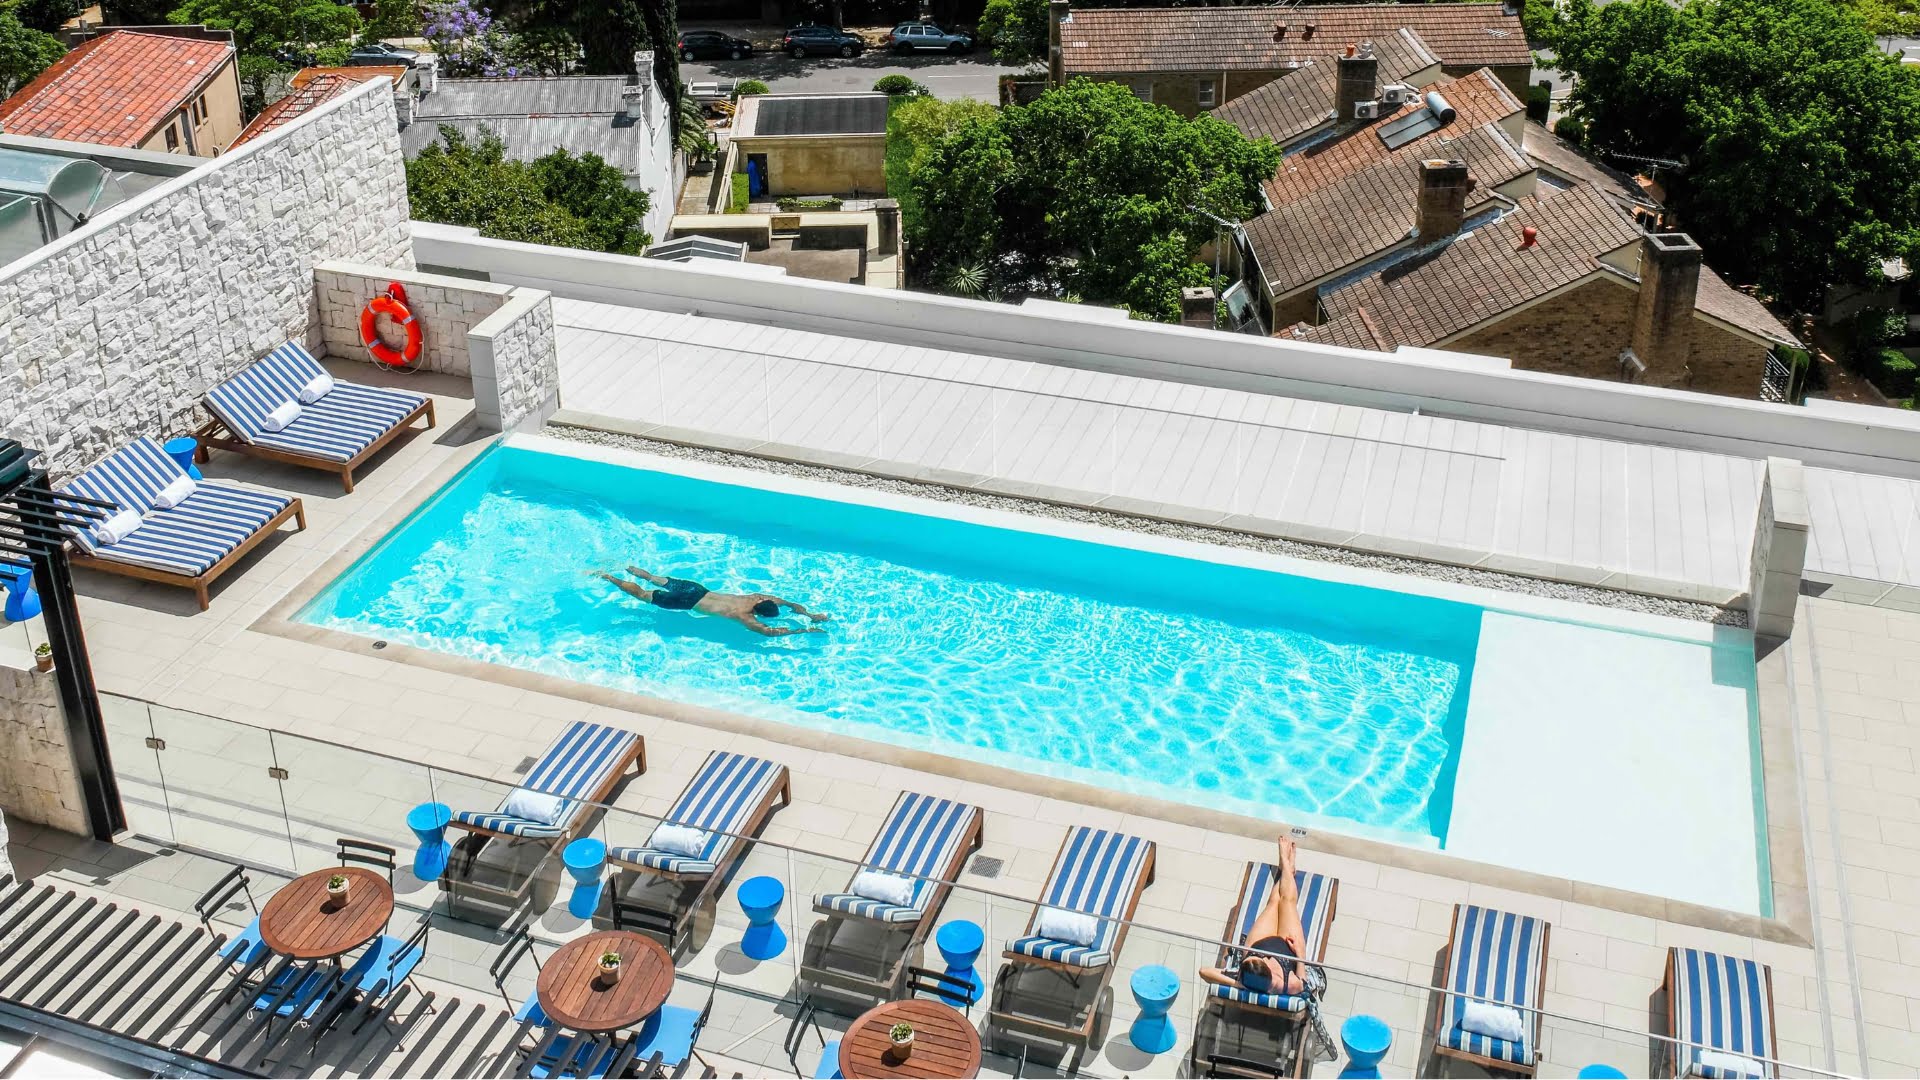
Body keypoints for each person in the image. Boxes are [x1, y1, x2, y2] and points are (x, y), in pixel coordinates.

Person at [1200, 836, 1313, 997]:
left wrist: (1238, 984)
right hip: (1289, 949)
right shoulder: (1288, 984)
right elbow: (1304, 983)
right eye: (1264, 961)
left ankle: (1286, 869)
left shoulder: (1244, 977)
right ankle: (1287, 865)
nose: (1266, 957)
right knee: (1286, 901)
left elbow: (1204, 971)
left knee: (1273, 902)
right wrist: (1300, 953)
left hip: (1257, 944)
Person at [595, 566, 829, 637]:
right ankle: (607, 576)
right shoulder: (744, 617)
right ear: (762, 613)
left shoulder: (758, 598)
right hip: (688, 602)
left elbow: (788, 603)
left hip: (695, 589)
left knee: (653, 578)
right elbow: (770, 633)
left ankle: (622, 565)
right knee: (643, 595)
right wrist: (805, 629)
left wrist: (809, 613)